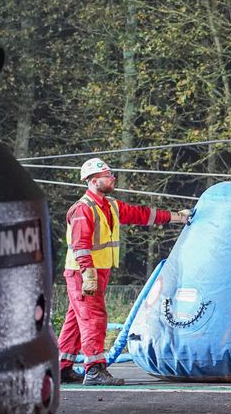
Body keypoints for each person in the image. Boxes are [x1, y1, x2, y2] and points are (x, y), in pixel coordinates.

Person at [57, 157, 189, 386]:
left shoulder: (111, 207)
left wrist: (176, 217)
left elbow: (142, 214)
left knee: (76, 320)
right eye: (108, 175)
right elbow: (80, 245)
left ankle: (61, 368)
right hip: (84, 274)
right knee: (94, 318)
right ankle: (94, 370)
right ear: (94, 180)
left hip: (95, 273)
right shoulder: (82, 209)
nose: (113, 178)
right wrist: (88, 275)